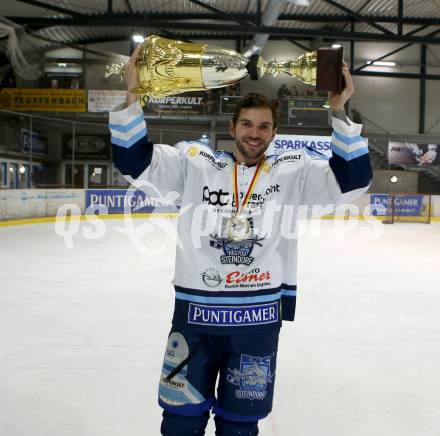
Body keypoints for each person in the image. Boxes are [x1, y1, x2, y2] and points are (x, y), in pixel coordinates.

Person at [109, 46, 372, 436]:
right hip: (195, 319)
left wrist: (338, 110)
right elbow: (135, 163)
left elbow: (351, 180)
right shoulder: (194, 164)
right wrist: (133, 93)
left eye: (264, 126)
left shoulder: (293, 173)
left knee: (239, 427)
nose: (255, 133)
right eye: (247, 124)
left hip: (257, 323)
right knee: (180, 421)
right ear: (232, 128)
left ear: (274, 133)